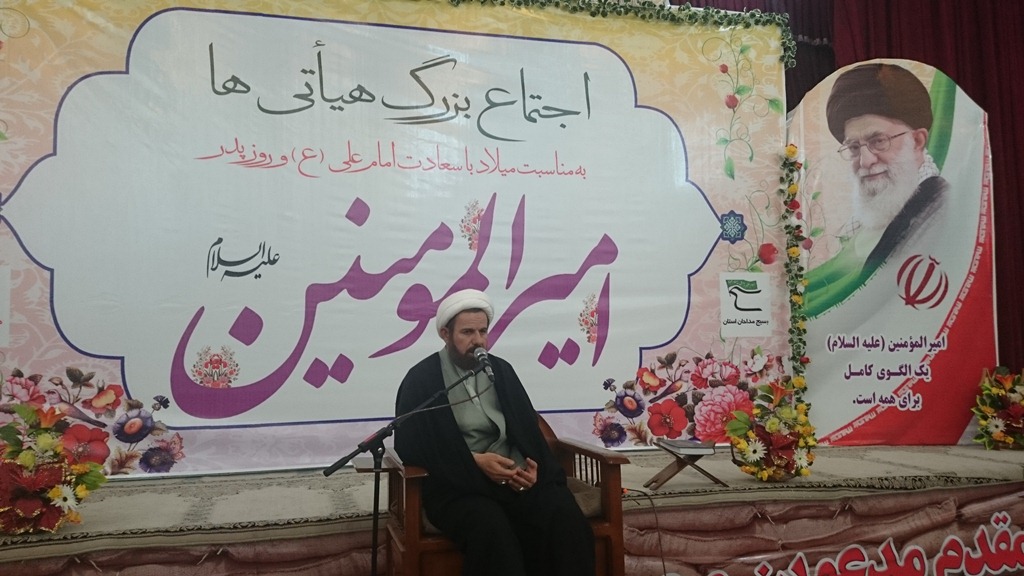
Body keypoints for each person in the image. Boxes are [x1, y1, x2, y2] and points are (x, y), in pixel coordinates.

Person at [393, 289, 595, 576]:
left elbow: (527, 431)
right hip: (458, 487)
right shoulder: (422, 379)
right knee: (491, 529)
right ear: (445, 334)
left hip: (513, 480)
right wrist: (473, 461)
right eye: (467, 332)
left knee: (562, 515)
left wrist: (532, 469)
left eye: (482, 331)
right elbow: (412, 445)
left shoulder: (500, 371)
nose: (477, 340)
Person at [804, 62, 950, 318]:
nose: (866, 161)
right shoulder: (859, 225)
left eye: (878, 141)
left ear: (917, 141)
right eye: (854, 148)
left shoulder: (942, 209)